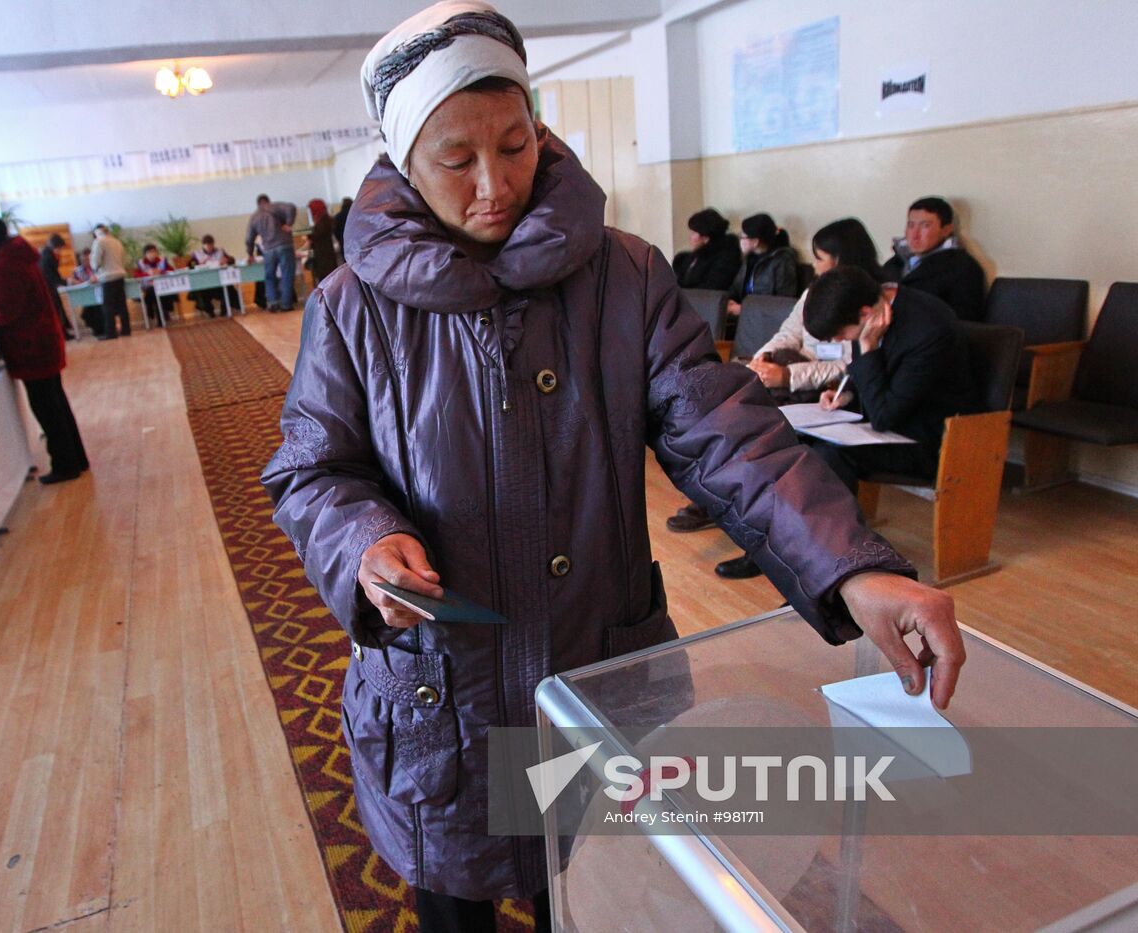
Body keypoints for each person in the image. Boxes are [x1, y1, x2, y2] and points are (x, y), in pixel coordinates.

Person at [261, 4, 964, 930]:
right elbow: (313, 469)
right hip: (445, 701)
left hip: (596, 675)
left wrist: (853, 564)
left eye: (515, 145)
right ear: (400, 160)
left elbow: (723, 432)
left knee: (601, 900)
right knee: (455, 904)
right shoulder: (354, 309)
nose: (494, 184)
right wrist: (365, 540)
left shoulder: (622, 275)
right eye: (456, 160)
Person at [706, 218, 883, 578]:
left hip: (829, 393)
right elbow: (787, 333)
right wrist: (764, 359)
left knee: (765, 437)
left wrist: (788, 374)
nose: (814, 266)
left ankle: (773, 540)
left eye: (819, 258)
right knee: (738, 418)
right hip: (796, 382)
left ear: (839, 259)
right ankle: (729, 509)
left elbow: (852, 364)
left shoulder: (864, 303)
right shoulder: (815, 292)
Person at [803, 265, 978, 493]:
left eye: (840, 335)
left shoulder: (929, 330)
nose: (839, 341)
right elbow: (884, 384)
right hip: (889, 421)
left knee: (827, 454)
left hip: (925, 438)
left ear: (865, 314)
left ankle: (834, 528)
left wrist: (867, 349)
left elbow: (884, 416)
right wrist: (849, 395)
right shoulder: (867, 307)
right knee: (794, 438)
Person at [0, 212, 89, 484]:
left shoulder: (6, 264)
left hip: (31, 347)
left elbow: (2, 312)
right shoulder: (17, 255)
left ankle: (65, 465)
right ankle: (76, 459)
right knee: (56, 404)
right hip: (41, 342)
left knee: (47, 409)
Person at [881, 196, 988, 321]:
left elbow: (964, 322)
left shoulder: (963, 268)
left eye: (925, 226)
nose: (915, 235)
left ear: (946, 230)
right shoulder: (893, 264)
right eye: (911, 225)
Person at [728, 212, 798, 311]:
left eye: (742, 237)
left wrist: (743, 310)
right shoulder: (750, 258)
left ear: (755, 241)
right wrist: (729, 301)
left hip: (763, 319)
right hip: (746, 314)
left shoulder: (782, 261)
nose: (740, 240)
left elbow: (783, 303)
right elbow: (735, 288)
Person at [245, 193, 299, 311]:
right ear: (268, 201)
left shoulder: (254, 217)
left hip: (268, 249)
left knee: (269, 276)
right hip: (284, 245)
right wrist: (289, 223)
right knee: (286, 275)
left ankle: (273, 303)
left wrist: (250, 254)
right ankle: (286, 304)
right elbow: (291, 207)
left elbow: (249, 238)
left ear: (258, 204)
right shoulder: (275, 207)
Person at [670, 208, 740, 290]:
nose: (690, 237)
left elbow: (711, 289)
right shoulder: (691, 258)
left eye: (693, 233)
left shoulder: (725, 259)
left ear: (706, 238)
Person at [90, 223, 129, 339]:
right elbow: (123, 258)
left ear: (96, 233)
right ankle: (126, 330)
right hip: (120, 275)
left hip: (107, 277)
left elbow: (95, 262)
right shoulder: (117, 241)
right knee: (122, 305)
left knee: (108, 307)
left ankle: (111, 333)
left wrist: (95, 269)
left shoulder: (99, 242)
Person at [188, 234, 242, 317]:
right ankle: (209, 311)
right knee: (199, 291)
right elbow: (190, 266)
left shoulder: (220, 251)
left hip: (219, 281)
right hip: (204, 283)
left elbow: (232, 260)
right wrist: (199, 264)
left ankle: (225, 309)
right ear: (203, 246)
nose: (209, 248)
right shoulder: (197, 254)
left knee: (228, 287)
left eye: (211, 245)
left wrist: (226, 260)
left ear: (213, 244)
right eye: (207, 246)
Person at [37, 233, 75, 338]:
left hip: (49, 286)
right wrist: (65, 282)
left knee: (58, 309)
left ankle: (64, 331)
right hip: (48, 287)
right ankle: (63, 334)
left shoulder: (48, 254)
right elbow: (50, 275)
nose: (60, 250)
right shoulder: (47, 257)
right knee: (56, 310)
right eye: (60, 247)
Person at [134, 242, 176, 324]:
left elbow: (171, 270)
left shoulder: (162, 261)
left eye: (154, 251)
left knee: (163, 292)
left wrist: (161, 271)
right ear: (145, 254)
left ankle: (162, 315)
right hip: (148, 286)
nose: (152, 254)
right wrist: (148, 273)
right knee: (153, 292)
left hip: (163, 285)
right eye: (149, 252)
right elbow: (136, 275)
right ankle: (160, 317)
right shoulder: (141, 263)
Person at [68, 248, 104, 337]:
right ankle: (98, 330)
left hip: (99, 296)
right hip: (85, 297)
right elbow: (72, 282)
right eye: (83, 260)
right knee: (89, 310)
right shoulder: (77, 271)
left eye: (87, 259)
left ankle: (101, 330)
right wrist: (73, 281)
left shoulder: (98, 269)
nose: (85, 261)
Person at [307, 198, 339, 284]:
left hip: (323, 256)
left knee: (326, 279)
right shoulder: (326, 219)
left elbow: (318, 235)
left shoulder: (323, 220)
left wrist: (310, 238)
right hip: (326, 255)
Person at [333, 196, 354, 263]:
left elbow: (335, 232)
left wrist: (340, 239)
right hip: (355, 243)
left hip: (343, 243)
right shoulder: (355, 215)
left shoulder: (337, 217)